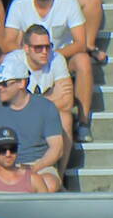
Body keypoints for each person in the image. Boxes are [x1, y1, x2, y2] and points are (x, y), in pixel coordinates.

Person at [3, 0, 93, 142]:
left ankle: (83, 122)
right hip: (30, 58)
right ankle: (8, 114)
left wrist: (51, 55)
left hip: (60, 56)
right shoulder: (19, 4)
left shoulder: (68, 3)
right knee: (3, 59)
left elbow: (80, 42)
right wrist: (32, 56)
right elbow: (9, 42)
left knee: (83, 60)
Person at [0, 52, 64, 187]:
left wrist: (32, 170)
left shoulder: (45, 107)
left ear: (21, 83)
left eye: (4, 83)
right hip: (0, 163)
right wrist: (1, 169)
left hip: (37, 165)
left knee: (48, 183)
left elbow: (56, 148)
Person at [15, 20, 73, 159]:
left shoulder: (57, 59)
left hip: (46, 117)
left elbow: (67, 102)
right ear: (26, 48)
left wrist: (31, 104)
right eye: (38, 48)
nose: (44, 52)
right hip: (17, 119)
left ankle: (59, 174)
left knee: (65, 118)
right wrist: (51, 98)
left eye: (48, 47)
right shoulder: (13, 61)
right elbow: (14, 107)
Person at [0, 121, 49, 188]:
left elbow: (45, 205)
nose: (8, 154)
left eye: (12, 148)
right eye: (2, 150)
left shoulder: (34, 180)